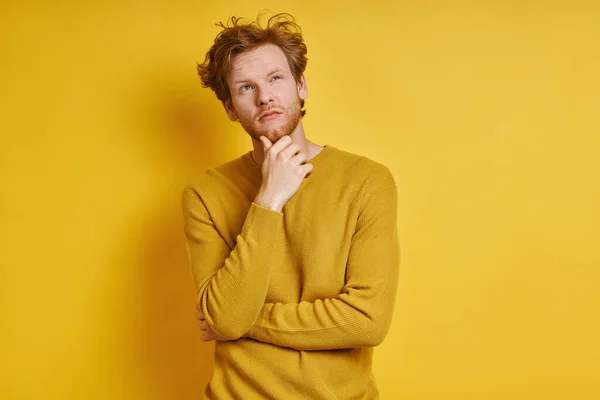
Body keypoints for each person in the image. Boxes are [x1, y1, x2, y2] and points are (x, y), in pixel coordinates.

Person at [181, 12, 400, 399]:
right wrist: (270, 198)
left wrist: (247, 322)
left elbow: (367, 322)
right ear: (231, 108)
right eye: (246, 87)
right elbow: (225, 316)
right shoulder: (204, 195)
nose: (265, 96)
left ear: (301, 87)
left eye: (276, 79)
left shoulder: (367, 181)